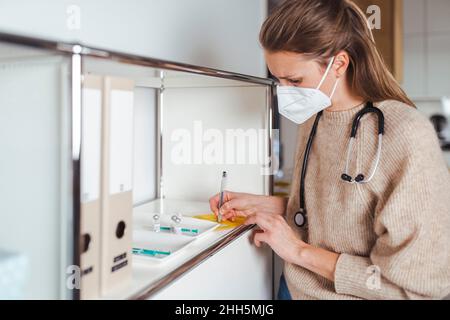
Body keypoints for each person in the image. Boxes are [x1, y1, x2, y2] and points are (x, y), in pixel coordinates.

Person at [209, 0, 450, 300]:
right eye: (278, 79)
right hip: (293, 290)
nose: (284, 91)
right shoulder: (314, 119)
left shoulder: (406, 135)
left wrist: (298, 250)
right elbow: (338, 214)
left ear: (339, 64)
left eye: (294, 80)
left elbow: (414, 288)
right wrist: (268, 205)